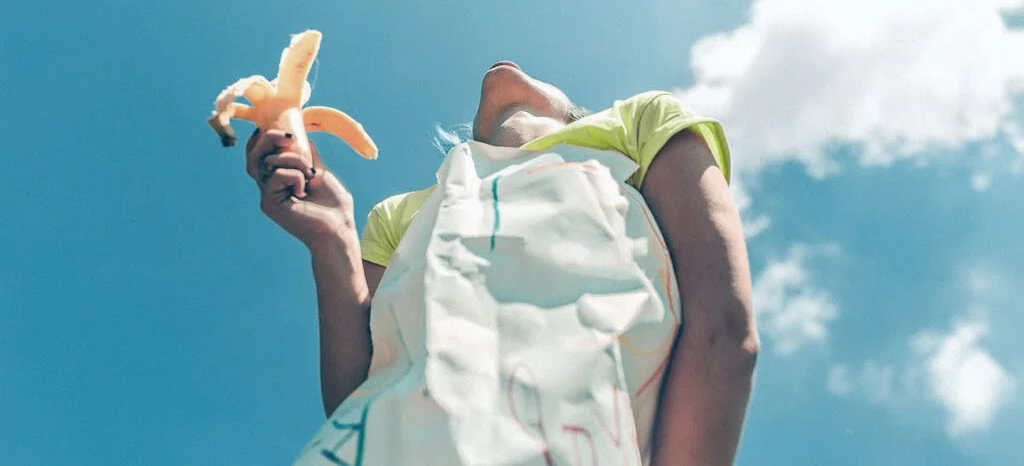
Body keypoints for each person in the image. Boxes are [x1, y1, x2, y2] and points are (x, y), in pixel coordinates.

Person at [245, 61, 758, 465]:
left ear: (572, 113)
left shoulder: (638, 122)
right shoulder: (403, 214)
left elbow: (722, 332)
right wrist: (333, 235)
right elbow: (360, 397)